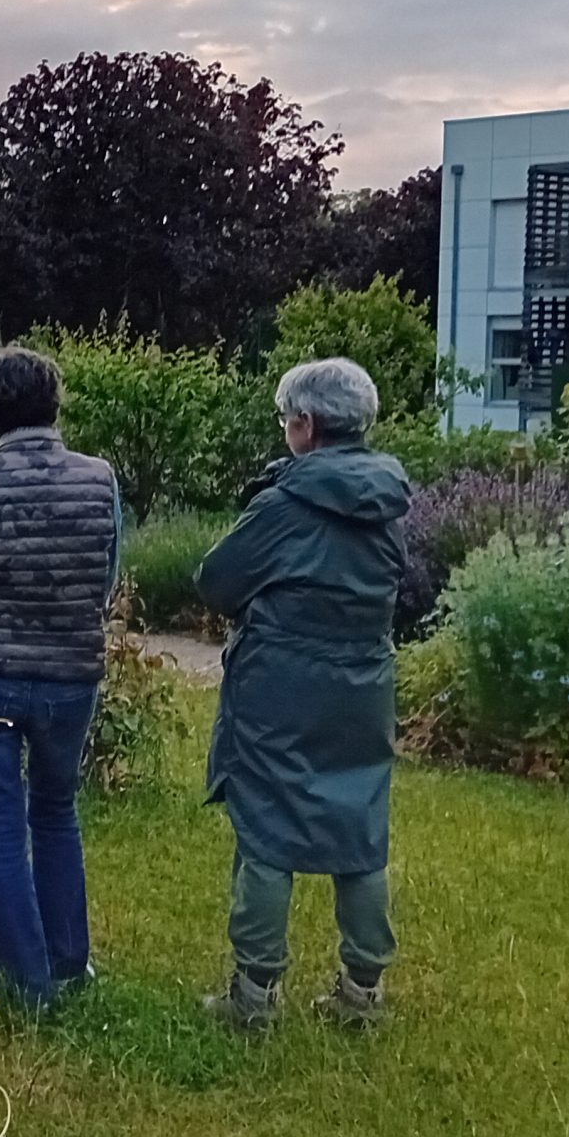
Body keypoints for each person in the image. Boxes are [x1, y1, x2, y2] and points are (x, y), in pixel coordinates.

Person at [196, 358, 411, 1031]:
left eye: (287, 418)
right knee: (360, 823)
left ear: (306, 425)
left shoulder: (284, 505)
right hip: (365, 681)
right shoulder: (388, 499)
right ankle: (362, 992)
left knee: (267, 827)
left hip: (281, 682)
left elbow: (216, 581)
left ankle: (254, 996)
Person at [0, 346, 120, 1009]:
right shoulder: (100, 479)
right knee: (57, 811)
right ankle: (68, 962)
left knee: (1, 827)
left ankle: (20, 983)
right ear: (55, 403)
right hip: (71, 675)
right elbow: (107, 577)